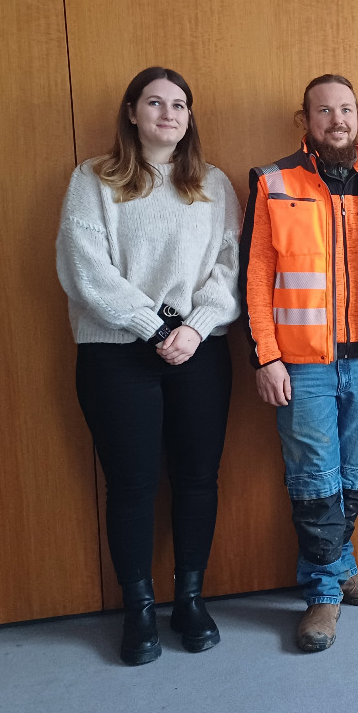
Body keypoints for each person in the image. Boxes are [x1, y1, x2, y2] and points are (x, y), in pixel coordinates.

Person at [56, 66, 241, 665]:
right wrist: (153, 326)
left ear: (189, 117)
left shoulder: (213, 183)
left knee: (198, 479)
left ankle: (190, 599)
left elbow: (229, 268)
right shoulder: (94, 179)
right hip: (115, 354)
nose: (168, 114)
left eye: (179, 104)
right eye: (155, 103)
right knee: (132, 485)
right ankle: (138, 608)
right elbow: (85, 268)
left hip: (198, 351)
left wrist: (194, 327)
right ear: (132, 113)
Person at [239, 74, 358, 651]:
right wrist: (266, 357)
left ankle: (339, 570)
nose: (337, 120)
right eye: (324, 110)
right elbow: (255, 278)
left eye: (346, 109)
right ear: (305, 120)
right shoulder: (274, 182)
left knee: (352, 479)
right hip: (302, 365)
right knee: (315, 482)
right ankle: (323, 595)